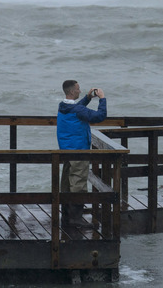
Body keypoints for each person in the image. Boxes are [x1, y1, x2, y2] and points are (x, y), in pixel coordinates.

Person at [56, 79, 107, 226]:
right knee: (78, 183)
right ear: (72, 91)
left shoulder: (63, 106)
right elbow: (99, 116)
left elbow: (77, 108)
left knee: (66, 183)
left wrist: (88, 98)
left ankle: (66, 216)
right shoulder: (77, 110)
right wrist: (102, 99)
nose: (79, 91)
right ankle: (76, 219)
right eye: (78, 89)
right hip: (79, 151)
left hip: (66, 150)